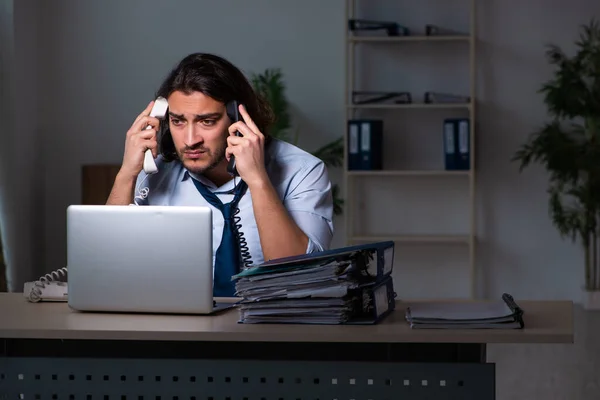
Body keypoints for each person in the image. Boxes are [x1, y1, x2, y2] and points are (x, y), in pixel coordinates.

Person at [106, 52, 334, 296]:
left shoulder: (303, 171)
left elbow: (298, 276)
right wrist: (127, 174)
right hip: (177, 325)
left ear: (238, 118)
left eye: (207, 121)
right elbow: (106, 263)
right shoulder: (154, 173)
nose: (190, 140)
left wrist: (257, 181)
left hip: (273, 327)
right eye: (178, 121)